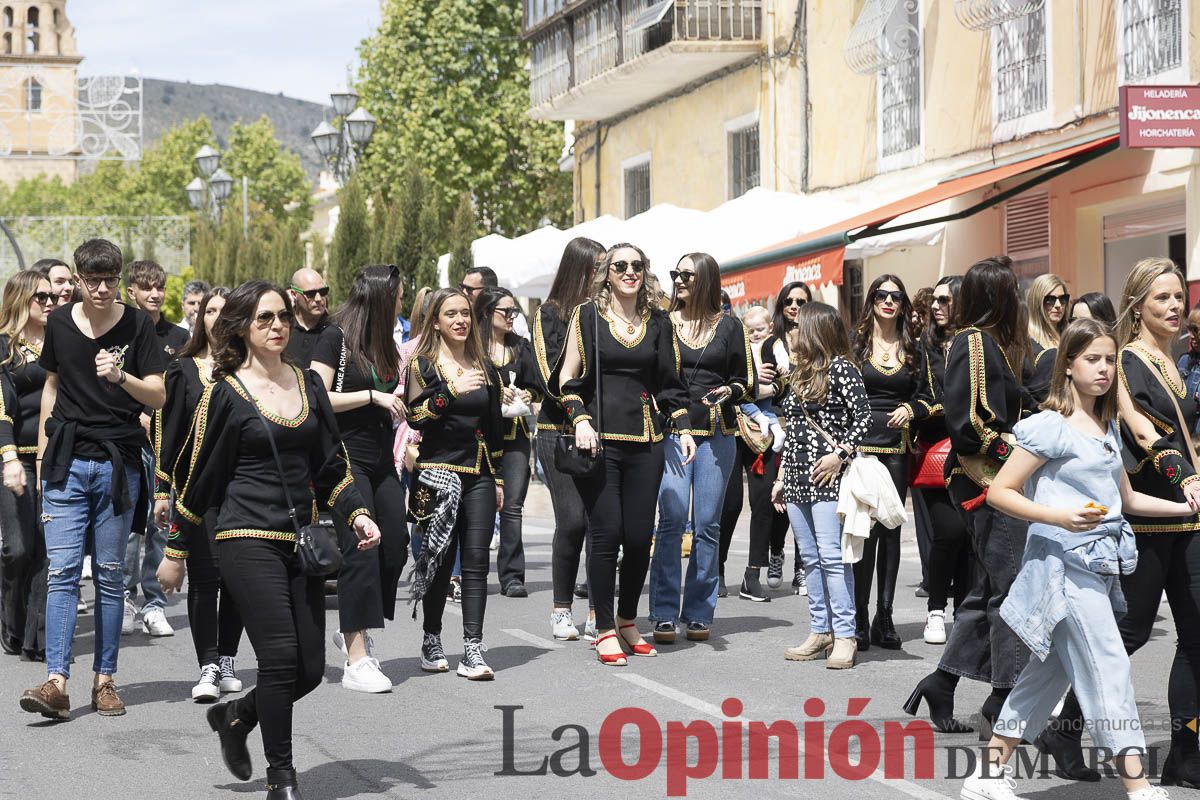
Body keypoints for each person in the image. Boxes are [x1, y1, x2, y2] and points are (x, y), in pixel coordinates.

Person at [962, 318, 1190, 800]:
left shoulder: (1104, 426)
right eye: (1093, 359)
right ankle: (1139, 784)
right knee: (1109, 666)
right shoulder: (1050, 426)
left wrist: (1187, 507)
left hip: (1099, 569)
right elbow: (1001, 492)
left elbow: (1125, 501)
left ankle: (987, 774)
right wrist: (1059, 517)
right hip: (1062, 569)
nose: (1104, 368)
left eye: (1109, 359)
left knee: (1046, 676)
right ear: (1068, 364)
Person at [170, 280, 381, 799]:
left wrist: (356, 513)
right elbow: (200, 476)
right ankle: (281, 777)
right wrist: (176, 552)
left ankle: (236, 716)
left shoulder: (309, 385)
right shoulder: (226, 392)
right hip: (243, 536)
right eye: (264, 318)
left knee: (309, 668)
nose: (277, 326)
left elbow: (332, 465)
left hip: (300, 538)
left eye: (282, 317)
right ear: (242, 327)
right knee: (280, 659)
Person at [19, 238, 167, 720]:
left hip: (117, 463)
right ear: (78, 281)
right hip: (65, 459)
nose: (103, 289)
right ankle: (56, 681)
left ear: (119, 279)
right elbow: (52, 386)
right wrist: (42, 462)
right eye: (93, 280)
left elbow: (159, 396)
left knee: (107, 575)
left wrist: (121, 376)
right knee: (62, 571)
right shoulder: (60, 323)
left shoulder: (138, 324)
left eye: (110, 280)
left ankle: (105, 681)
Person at [904, 257, 1035, 740]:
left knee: (985, 592)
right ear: (997, 297)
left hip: (997, 480)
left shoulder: (994, 344)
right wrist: (1018, 452)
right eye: (1012, 291)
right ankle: (1004, 699)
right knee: (1011, 591)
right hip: (985, 481)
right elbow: (971, 424)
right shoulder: (974, 342)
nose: (1019, 300)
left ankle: (942, 682)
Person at [557, 243, 690, 664]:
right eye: (621, 266)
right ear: (607, 274)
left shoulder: (660, 322)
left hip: (646, 442)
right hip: (598, 441)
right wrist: (579, 419)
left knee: (638, 539)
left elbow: (670, 382)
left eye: (637, 265)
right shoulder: (587, 316)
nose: (630, 272)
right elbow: (567, 378)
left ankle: (628, 620)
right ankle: (602, 629)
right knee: (606, 535)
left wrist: (683, 428)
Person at [1115, 257, 1200, 787]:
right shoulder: (1126, 362)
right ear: (1138, 304)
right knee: (1130, 632)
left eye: (1178, 298)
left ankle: (1184, 753)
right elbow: (1142, 430)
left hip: (1189, 518)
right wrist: (1183, 475)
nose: (1175, 306)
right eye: (1162, 299)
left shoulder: (1176, 362)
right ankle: (1061, 719)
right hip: (1149, 515)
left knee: (1196, 635)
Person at [311, 265, 409, 694]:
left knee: (397, 546)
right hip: (345, 457)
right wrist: (372, 396)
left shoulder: (387, 343)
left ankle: (359, 624)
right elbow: (318, 395)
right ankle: (357, 654)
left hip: (382, 457)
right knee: (362, 550)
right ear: (381, 298)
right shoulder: (335, 338)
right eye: (399, 296)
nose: (402, 304)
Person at [406, 287, 505, 680]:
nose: (461, 320)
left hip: (478, 472)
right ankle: (432, 638)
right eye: (451, 314)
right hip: (435, 472)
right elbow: (415, 418)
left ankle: (473, 650)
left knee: (477, 562)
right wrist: (449, 393)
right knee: (437, 562)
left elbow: (493, 427)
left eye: (465, 313)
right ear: (436, 322)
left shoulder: (485, 366)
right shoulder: (422, 365)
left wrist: (496, 477)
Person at [649, 253, 750, 639]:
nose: (678, 280)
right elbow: (656, 375)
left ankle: (699, 611)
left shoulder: (729, 326)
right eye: (675, 273)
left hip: (718, 435)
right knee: (672, 521)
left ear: (705, 279)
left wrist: (730, 390)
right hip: (675, 432)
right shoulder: (663, 322)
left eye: (686, 275)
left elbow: (746, 381)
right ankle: (662, 611)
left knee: (708, 526)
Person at [153, 287, 246, 702]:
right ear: (200, 318)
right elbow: (168, 433)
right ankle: (207, 664)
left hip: (244, 488)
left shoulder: (250, 368)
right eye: (211, 310)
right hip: (196, 490)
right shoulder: (182, 369)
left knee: (239, 578)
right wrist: (161, 489)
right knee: (206, 576)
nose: (218, 318)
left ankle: (228, 658)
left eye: (226, 311)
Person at [772, 301, 871, 670]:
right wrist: (781, 477)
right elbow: (794, 431)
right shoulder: (800, 372)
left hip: (829, 476)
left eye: (801, 325)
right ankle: (820, 630)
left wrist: (840, 455)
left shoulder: (843, 369)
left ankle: (845, 635)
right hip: (797, 476)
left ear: (818, 329)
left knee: (831, 557)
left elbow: (864, 419)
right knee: (810, 559)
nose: (794, 331)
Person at [850, 274, 928, 651]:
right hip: (860, 448)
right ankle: (859, 615)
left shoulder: (914, 346)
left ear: (903, 304)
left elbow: (930, 396)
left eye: (896, 296)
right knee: (862, 530)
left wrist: (910, 409)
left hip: (896, 450)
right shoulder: (856, 343)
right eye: (881, 295)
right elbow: (840, 391)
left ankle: (885, 615)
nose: (888, 301)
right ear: (872, 300)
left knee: (891, 529)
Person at [534, 237, 604, 641]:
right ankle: (562, 609)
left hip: (604, 428)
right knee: (573, 520)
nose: (605, 275)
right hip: (558, 428)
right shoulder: (549, 313)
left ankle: (598, 611)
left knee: (600, 523)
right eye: (598, 267)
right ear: (580, 270)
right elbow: (549, 376)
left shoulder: (608, 315)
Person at [123, 260, 189, 638]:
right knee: (131, 525)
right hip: (132, 441)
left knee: (161, 523)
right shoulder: (124, 330)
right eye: (147, 287)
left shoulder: (178, 337)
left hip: (168, 446)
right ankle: (125, 596)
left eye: (159, 287)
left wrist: (161, 419)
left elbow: (180, 389)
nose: (154, 294)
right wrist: (140, 416)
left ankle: (154, 602)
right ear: (131, 291)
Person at [910, 276, 971, 646]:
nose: (936, 306)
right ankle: (936, 609)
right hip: (935, 451)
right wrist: (938, 410)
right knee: (947, 533)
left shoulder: (975, 344)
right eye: (934, 300)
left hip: (973, 453)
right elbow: (919, 395)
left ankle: (964, 612)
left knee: (969, 537)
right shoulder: (924, 347)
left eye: (945, 300)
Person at [0, 271, 54, 661]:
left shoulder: (61, 343)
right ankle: (11, 621)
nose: (51, 302)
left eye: (54, 296)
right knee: (18, 549)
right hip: (13, 459)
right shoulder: (3, 347)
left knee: (46, 550)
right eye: (42, 297)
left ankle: (37, 637)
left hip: (52, 458)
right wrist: (9, 458)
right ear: (21, 300)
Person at [474, 286, 541, 598]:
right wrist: (492, 394)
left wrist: (529, 394)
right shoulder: (473, 348)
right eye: (507, 312)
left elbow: (537, 386)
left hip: (515, 436)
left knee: (512, 506)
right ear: (488, 313)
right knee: (480, 506)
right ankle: (471, 572)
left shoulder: (521, 347)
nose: (513, 317)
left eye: (515, 311)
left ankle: (512, 576)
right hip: (480, 437)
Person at [738, 305, 787, 452]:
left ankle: (770, 425)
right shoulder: (745, 345)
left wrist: (782, 366)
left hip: (767, 382)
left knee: (763, 406)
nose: (756, 334)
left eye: (760, 329)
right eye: (751, 331)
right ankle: (773, 427)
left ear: (770, 327)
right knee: (747, 403)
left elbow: (781, 354)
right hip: (751, 384)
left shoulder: (773, 342)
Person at [1026, 273, 1070, 405]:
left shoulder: (1068, 335)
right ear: (1037, 301)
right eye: (1050, 299)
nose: (1058, 305)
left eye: (1063, 299)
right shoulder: (1025, 341)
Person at [285, 267, 330, 366]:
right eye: (310, 294)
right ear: (294, 294)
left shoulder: (336, 330)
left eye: (323, 291)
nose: (318, 299)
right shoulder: (283, 329)